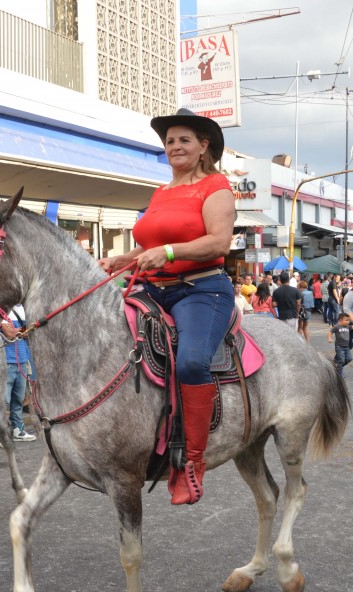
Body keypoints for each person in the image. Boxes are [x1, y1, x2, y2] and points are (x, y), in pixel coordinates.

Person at [98, 108, 234, 505]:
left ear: (203, 146)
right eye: (170, 140)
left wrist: (170, 252)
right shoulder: (162, 192)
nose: (175, 146)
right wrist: (122, 259)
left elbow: (219, 242)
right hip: (152, 288)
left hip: (201, 290)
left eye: (184, 140)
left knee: (191, 362)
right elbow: (150, 246)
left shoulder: (216, 186)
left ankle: (192, 461)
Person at [0, 305, 36, 443]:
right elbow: (10, 334)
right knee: (4, 401)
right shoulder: (2, 311)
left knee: (18, 399)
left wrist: (17, 330)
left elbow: (28, 332)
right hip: (7, 362)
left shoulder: (24, 310)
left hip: (22, 360)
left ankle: (17, 429)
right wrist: (23, 330)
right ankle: (1, 435)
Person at [327, 312, 353, 377]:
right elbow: (330, 332)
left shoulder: (348, 327)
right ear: (340, 320)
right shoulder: (337, 326)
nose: (348, 322)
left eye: (349, 320)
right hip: (339, 347)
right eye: (346, 320)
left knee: (349, 358)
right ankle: (339, 371)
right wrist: (329, 338)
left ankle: (337, 367)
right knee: (341, 360)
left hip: (346, 347)